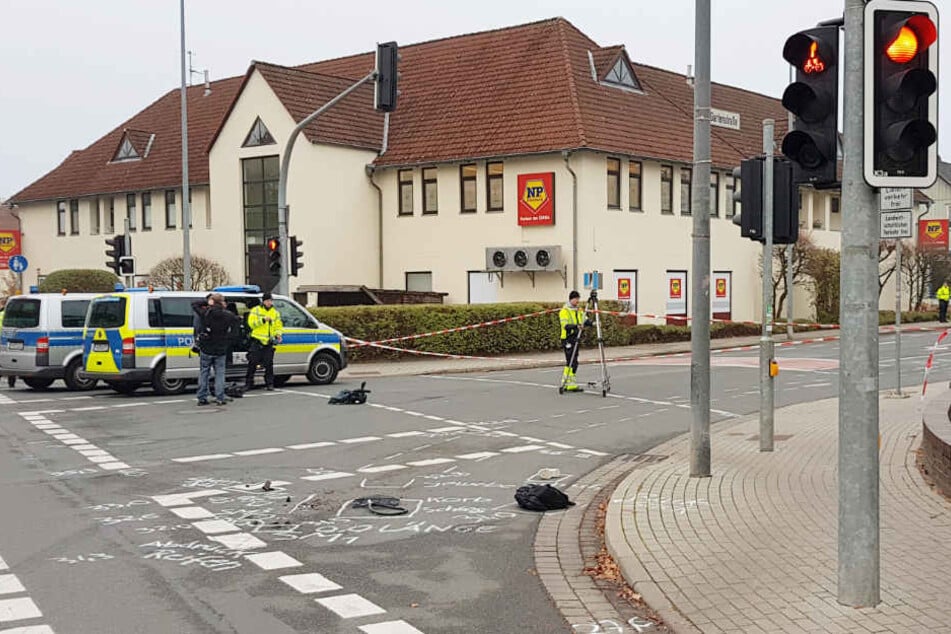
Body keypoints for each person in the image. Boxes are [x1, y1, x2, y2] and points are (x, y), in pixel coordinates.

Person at [192, 293, 240, 406]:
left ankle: (202, 397)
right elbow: (236, 326)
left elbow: (194, 305)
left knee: (204, 372)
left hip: (206, 347)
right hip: (221, 348)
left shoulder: (206, 313)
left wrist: (208, 302)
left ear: (212, 302)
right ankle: (220, 396)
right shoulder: (228, 315)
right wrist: (228, 340)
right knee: (220, 374)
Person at [245, 292, 283, 391]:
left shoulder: (275, 312)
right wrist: (263, 320)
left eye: (271, 300)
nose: (270, 302)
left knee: (269, 364)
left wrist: (278, 334)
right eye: (268, 300)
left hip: (268, 342)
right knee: (252, 363)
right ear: (264, 301)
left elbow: (278, 326)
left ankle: (269, 384)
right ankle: (249, 383)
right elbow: (251, 324)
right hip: (257, 341)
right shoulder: (256, 310)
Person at [559, 290, 591, 392]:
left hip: (576, 338)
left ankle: (571, 383)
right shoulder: (564, 311)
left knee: (575, 361)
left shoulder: (578, 310)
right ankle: (565, 382)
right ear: (571, 299)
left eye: (578, 299)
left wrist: (592, 323)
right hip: (567, 338)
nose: (578, 301)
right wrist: (576, 326)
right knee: (570, 360)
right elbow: (565, 325)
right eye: (576, 299)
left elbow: (584, 319)